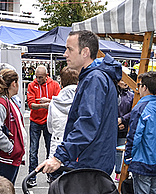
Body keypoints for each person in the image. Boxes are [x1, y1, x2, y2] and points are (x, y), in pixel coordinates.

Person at [38, 30, 120, 176]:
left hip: (90, 164)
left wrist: (59, 156)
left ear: (85, 52)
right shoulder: (95, 77)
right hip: (93, 162)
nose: (65, 54)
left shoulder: (95, 79)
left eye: (69, 49)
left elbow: (87, 124)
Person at [25, 65, 60, 187]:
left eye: (40, 77)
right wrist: (43, 105)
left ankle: (51, 174)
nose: (38, 79)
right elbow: (31, 104)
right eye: (37, 77)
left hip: (48, 121)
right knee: (33, 150)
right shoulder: (31, 85)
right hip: (35, 121)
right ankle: (32, 176)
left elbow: (58, 101)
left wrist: (48, 102)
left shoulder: (54, 85)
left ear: (47, 75)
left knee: (51, 149)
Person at [47, 66, 79, 157]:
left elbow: (50, 128)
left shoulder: (54, 103)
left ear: (61, 83)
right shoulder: (82, 100)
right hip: (75, 147)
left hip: (56, 145)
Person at [115, 78, 134, 181]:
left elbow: (133, 111)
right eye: (122, 80)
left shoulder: (131, 96)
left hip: (124, 127)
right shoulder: (113, 94)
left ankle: (120, 172)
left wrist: (123, 120)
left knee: (121, 151)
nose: (125, 82)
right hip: (113, 127)